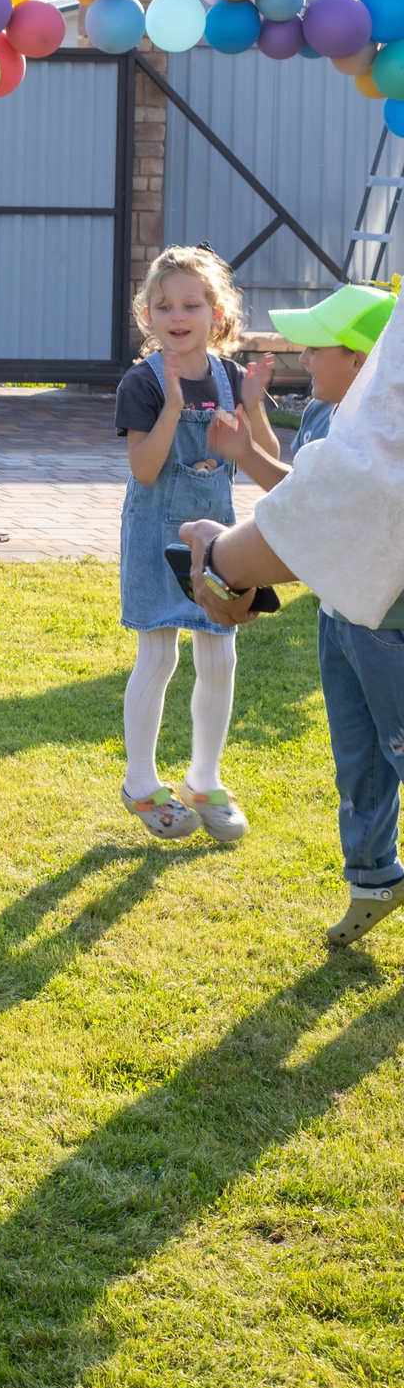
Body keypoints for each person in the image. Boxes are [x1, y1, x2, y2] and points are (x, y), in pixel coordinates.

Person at [195, 282, 402, 946]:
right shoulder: (324, 416)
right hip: (339, 617)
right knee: (358, 759)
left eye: (318, 349)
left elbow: (322, 513)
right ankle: (373, 878)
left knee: (398, 747)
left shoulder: (378, 439)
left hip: (387, 627)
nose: (305, 359)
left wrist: (227, 553)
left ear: (364, 362)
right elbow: (304, 505)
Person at [110, 246, 279, 845]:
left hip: (218, 542)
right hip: (154, 537)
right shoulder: (143, 382)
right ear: (147, 315)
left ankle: (204, 781)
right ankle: (140, 783)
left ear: (217, 313)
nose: (176, 316)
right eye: (163, 306)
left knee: (220, 657)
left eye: (190, 304)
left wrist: (252, 407)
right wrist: (174, 409)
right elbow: (145, 469)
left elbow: (266, 464)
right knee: (158, 657)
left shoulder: (231, 379)